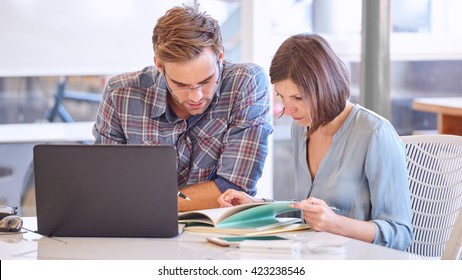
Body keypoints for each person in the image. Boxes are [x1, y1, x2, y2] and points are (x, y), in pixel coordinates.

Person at [218, 34, 413, 250]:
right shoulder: (301, 127)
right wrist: (257, 207)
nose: (288, 110)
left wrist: (336, 224)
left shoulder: (375, 133)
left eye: (298, 98)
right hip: (315, 257)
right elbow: (308, 214)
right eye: (282, 97)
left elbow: (400, 233)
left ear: (325, 87)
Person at [93, 5, 272, 211]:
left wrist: (141, 201)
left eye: (206, 80)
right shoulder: (121, 94)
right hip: (140, 232)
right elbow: (105, 185)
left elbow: (234, 189)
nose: (196, 96)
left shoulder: (246, 82)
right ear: (159, 66)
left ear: (220, 56)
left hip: (218, 235)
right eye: (180, 84)